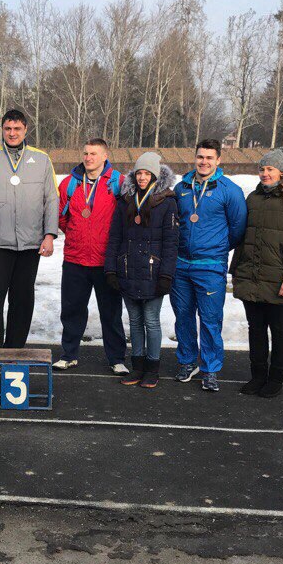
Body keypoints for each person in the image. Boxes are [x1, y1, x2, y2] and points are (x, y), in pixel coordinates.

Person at [0, 109, 58, 349]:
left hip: (30, 245)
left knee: (23, 302)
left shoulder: (42, 160)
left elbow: (51, 199)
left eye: (17, 129)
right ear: (2, 130)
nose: (12, 133)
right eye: (8, 128)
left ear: (26, 130)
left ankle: (14, 354)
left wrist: (49, 235)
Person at [231, 147, 283, 398]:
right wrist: (237, 270)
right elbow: (243, 236)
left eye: (270, 169)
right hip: (251, 277)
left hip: (279, 279)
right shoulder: (253, 199)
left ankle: (275, 379)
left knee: (278, 330)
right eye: (262, 169)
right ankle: (258, 376)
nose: (264, 174)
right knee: (255, 329)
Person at [171, 139, 247, 392]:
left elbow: (237, 230)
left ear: (218, 160)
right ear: (195, 158)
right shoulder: (181, 187)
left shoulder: (230, 190)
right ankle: (187, 361)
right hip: (181, 265)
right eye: (200, 157)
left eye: (209, 158)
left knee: (210, 320)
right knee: (182, 317)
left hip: (211, 265)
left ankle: (210, 368)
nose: (204, 162)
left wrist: (216, 249)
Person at [104, 153, 179, 388]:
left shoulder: (167, 202)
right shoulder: (125, 200)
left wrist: (166, 275)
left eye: (147, 173)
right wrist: (111, 270)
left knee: (151, 321)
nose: (143, 177)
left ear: (155, 176)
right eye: (139, 173)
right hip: (128, 270)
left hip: (153, 273)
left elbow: (171, 242)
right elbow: (115, 237)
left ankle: (152, 369)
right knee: (134, 322)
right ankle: (137, 367)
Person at [53, 138, 127, 374]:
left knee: (111, 312)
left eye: (94, 154)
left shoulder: (119, 183)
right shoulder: (68, 184)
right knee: (72, 310)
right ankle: (68, 354)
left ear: (105, 156)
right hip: (75, 258)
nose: (88, 158)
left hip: (107, 261)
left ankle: (116, 358)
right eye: (85, 153)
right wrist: (77, 235)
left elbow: (125, 218)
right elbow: (61, 218)